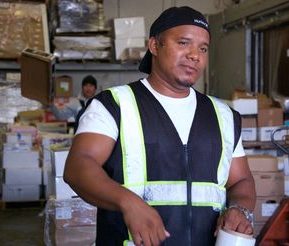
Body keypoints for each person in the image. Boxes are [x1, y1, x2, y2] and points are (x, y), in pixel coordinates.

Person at [64, 6, 256, 246]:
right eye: (183, 43)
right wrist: (128, 201)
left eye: (203, 48)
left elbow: (241, 181)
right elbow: (78, 166)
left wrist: (239, 209)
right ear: (154, 46)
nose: (195, 55)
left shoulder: (223, 115)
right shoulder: (115, 105)